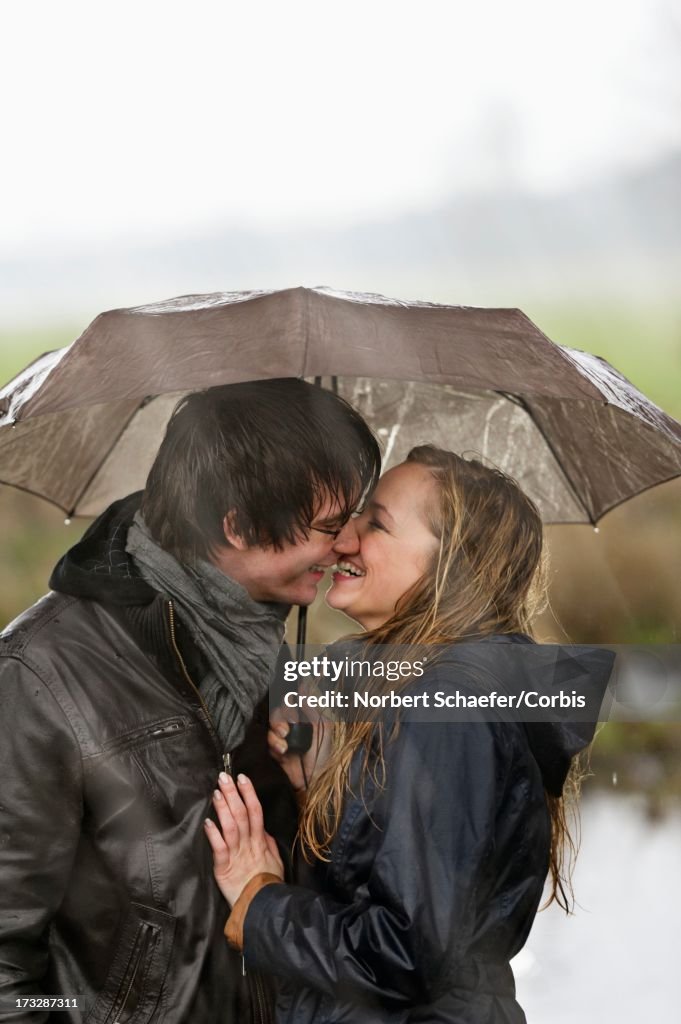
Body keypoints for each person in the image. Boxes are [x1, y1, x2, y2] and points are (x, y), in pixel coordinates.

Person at [0, 378, 380, 1024]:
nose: (349, 545)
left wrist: (321, 793)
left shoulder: (277, 667)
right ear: (234, 527)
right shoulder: (41, 673)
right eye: (327, 526)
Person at [204, 445, 614, 1023]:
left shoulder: (452, 705)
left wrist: (262, 904)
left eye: (375, 524)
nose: (342, 539)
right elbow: (409, 898)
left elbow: (407, 956)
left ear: (452, 567)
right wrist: (320, 785)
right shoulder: (434, 695)